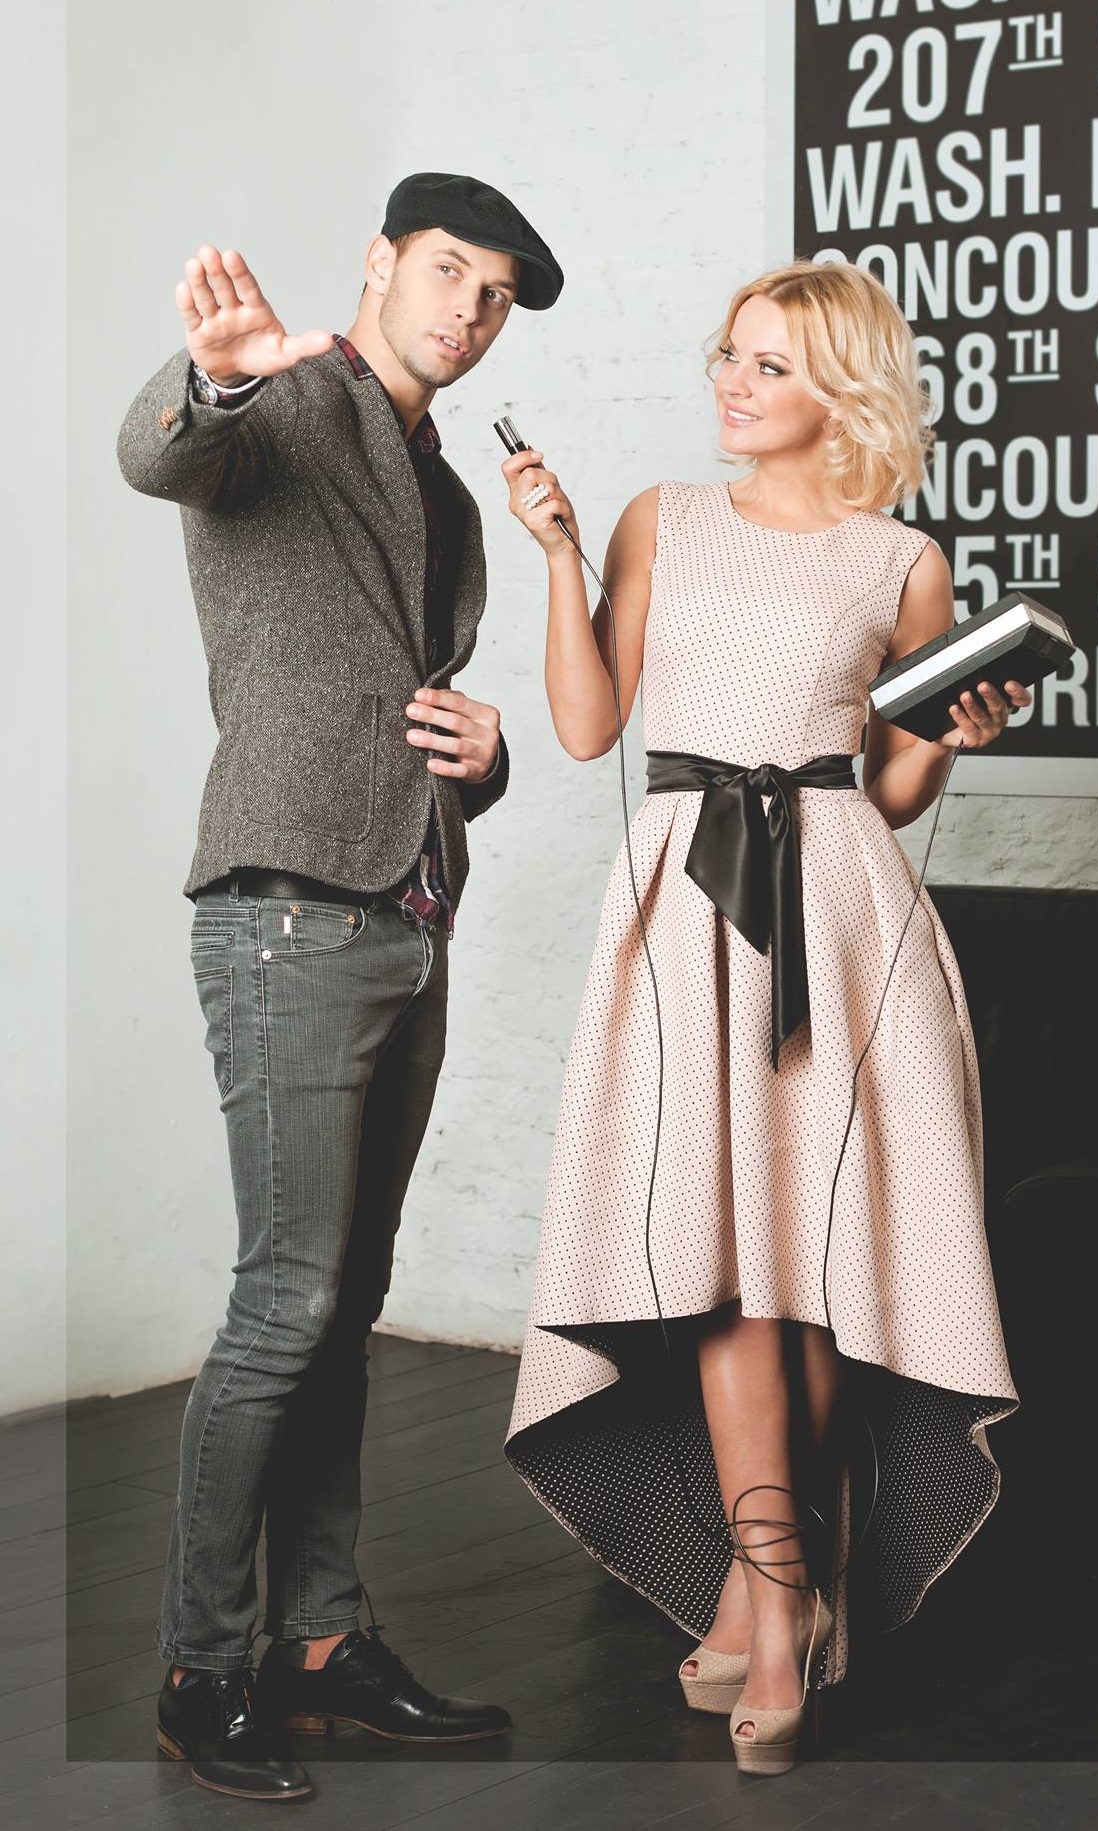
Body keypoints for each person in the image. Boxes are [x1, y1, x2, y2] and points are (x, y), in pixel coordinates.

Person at [502, 260, 1025, 1777]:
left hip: (844, 913)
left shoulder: (903, 561)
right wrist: (559, 556)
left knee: (811, 1267)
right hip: (687, 902)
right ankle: (785, 1599)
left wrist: (959, 733)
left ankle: (770, 1592)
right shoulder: (662, 519)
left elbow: (891, 784)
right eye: (729, 354)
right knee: (725, 1261)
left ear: (843, 392)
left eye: (772, 364)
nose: (732, 383)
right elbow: (589, 726)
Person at [116, 173, 563, 1803]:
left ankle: (318, 1639)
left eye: (494, 294)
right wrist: (215, 374)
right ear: (382, 262)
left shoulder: (449, 493)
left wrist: (486, 759)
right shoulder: (288, 406)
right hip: (287, 909)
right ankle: (202, 1666)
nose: (468, 309)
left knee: (343, 1304)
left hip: (406, 910)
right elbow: (161, 453)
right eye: (448, 271)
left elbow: (409, 701)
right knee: (284, 1303)